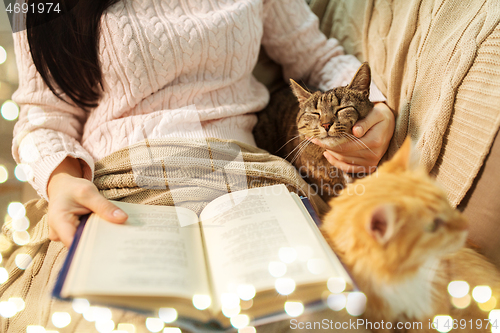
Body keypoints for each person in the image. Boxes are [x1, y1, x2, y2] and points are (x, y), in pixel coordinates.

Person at [12, 0, 394, 249]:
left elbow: (319, 61)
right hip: (119, 180)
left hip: (249, 170)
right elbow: (41, 115)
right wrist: (60, 180)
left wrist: (374, 109)